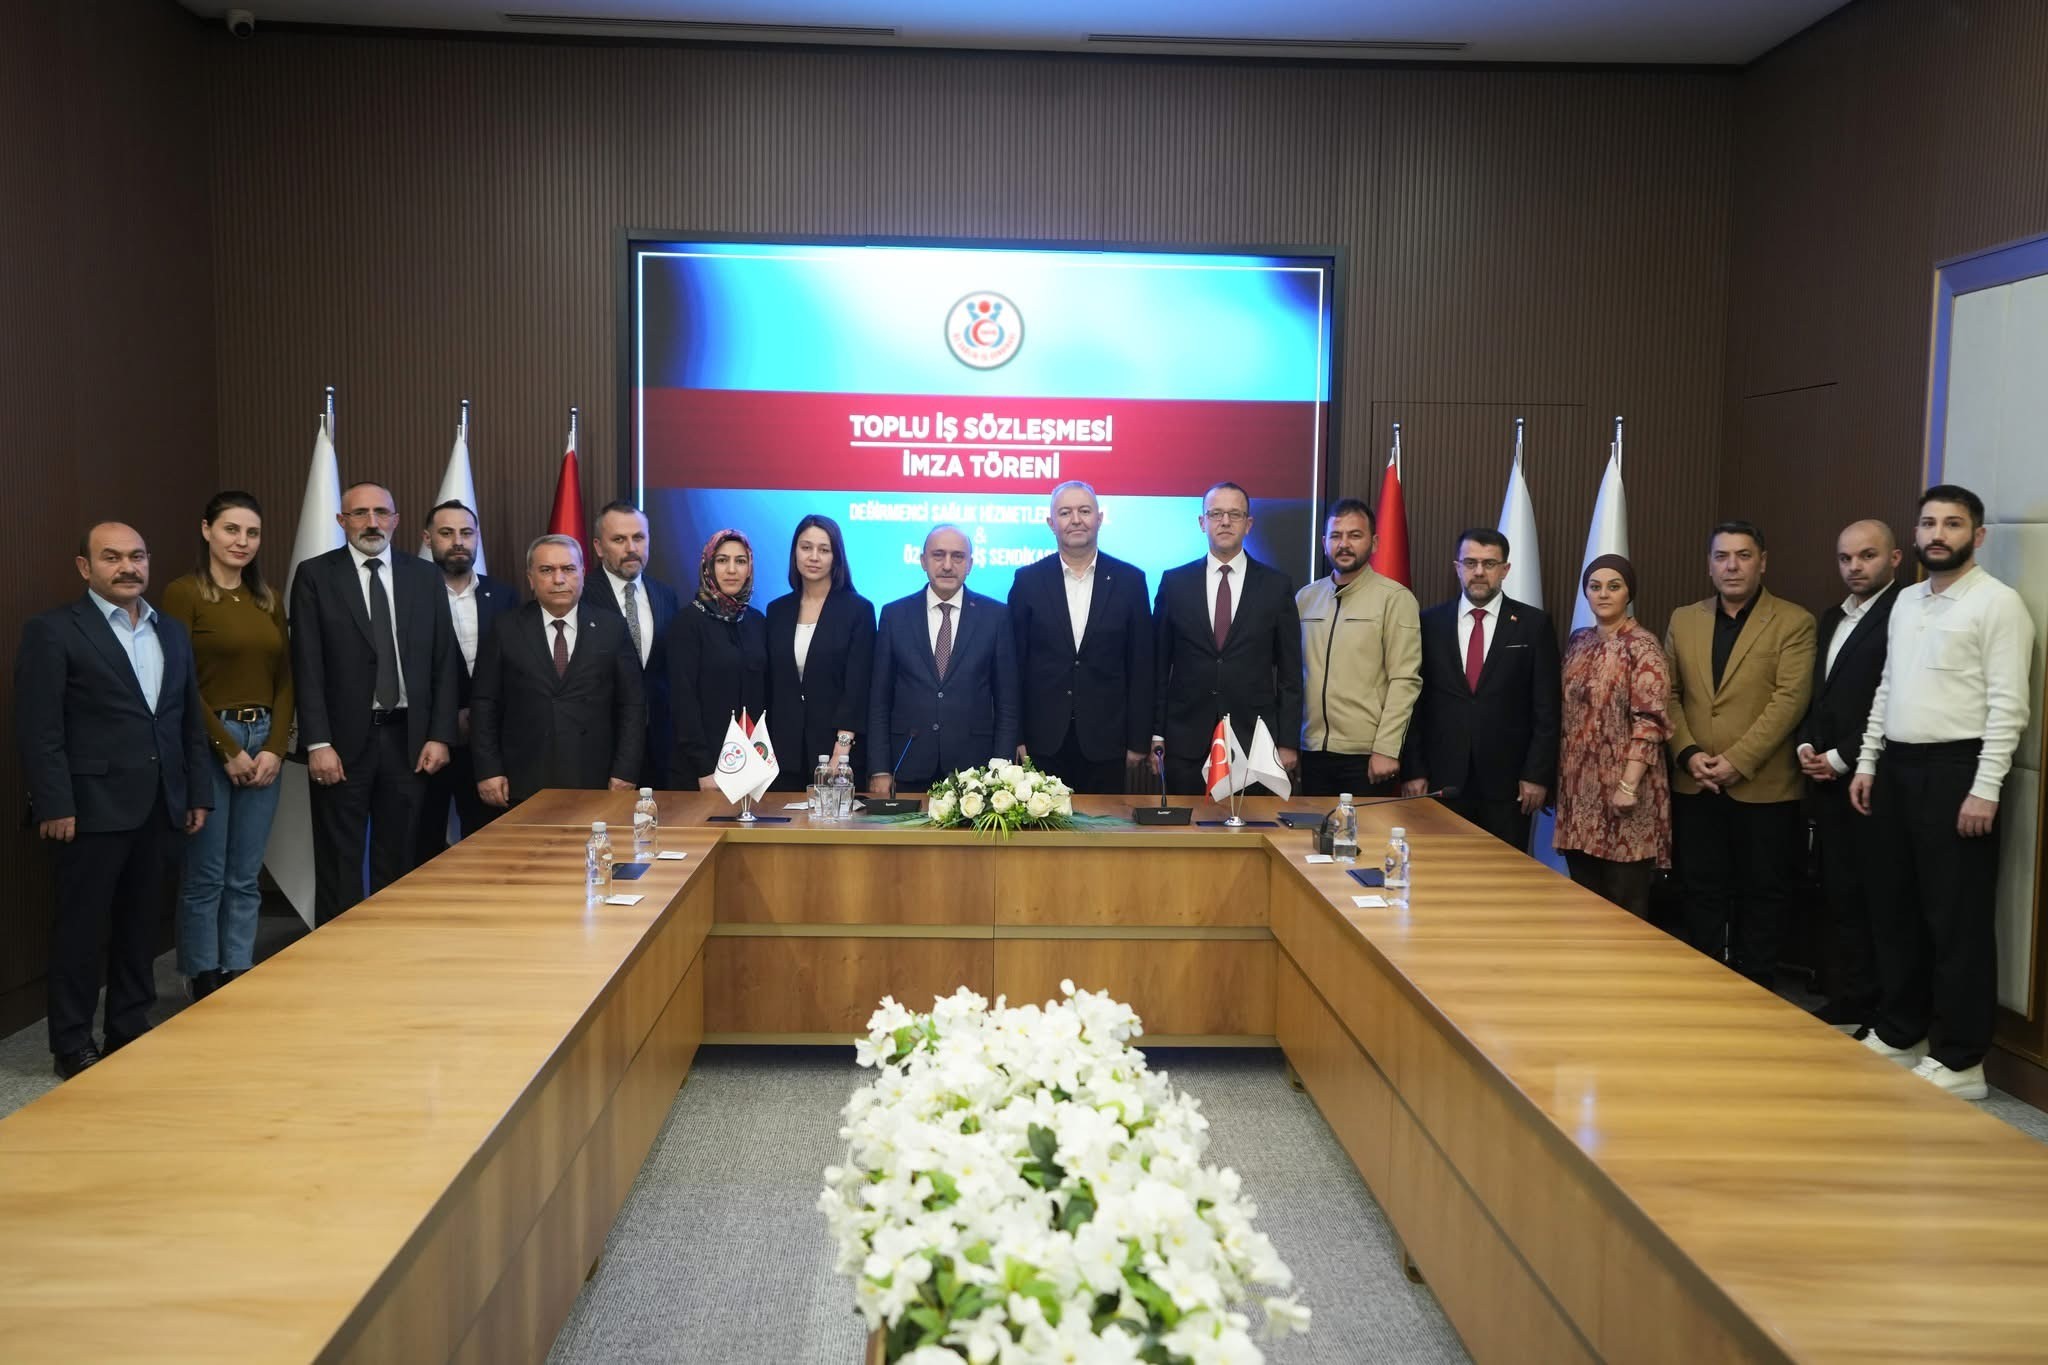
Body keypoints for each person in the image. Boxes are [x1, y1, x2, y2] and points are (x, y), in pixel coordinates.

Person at [1851, 485, 2035, 1100]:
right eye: (1928, 522)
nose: (1938, 534)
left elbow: (2009, 707)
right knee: (1896, 909)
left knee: (1957, 920)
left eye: (1952, 524)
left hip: (1959, 772)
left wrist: (1986, 788)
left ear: (1976, 536)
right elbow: (1887, 688)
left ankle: (1961, 1060)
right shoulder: (1906, 601)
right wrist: (1868, 762)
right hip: (1896, 767)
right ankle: (1902, 1031)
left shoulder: (1998, 604)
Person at [15, 523, 211, 1078]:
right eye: (112, 557)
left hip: (160, 806)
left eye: (137, 556)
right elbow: (39, 728)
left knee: (141, 927)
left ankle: (128, 1025)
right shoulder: (53, 631)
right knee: (80, 932)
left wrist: (195, 792)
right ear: (85, 567)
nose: (128, 567)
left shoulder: (171, 631)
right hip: (87, 809)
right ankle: (72, 1042)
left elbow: (186, 722)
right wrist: (54, 803)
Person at [289, 480, 459, 924]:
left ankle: (391, 945)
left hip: (409, 741)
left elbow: (444, 661)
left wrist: (440, 735)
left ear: (396, 520)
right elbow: (306, 664)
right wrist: (317, 742)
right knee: (339, 860)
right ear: (341, 521)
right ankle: (337, 952)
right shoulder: (316, 575)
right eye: (359, 513)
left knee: (400, 857)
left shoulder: (424, 576)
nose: (371, 522)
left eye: (381, 512)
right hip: (341, 743)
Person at [1664, 521, 1816, 987]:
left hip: (1763, 786)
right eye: (1722, 556)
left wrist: (1737, 761)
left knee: (1763, 893)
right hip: (1695, 781)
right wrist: (1688, 753)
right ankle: (1704, 985)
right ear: (1709, 565)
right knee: (1700, 888)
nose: (1732, 566)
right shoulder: (1683, 619)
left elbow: (1790, 701)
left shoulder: (1794, 621)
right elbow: (1668, 694)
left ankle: (1758, 989)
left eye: (1743, 556)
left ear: (1762, 562)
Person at [161, 492, 292, 1002]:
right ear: (206, 530)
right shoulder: (183, 593)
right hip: (207, 742)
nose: (242, 541)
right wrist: (227, 749)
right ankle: (203, 973)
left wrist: (275, 748)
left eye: (252, 533)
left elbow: (286, 679)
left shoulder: (268, 598)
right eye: (231, 529)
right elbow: (178, 680)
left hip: (263, 742)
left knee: (244, 874)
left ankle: (237, 967)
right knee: (206, 873)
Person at [1795, 519, 1901, 1029]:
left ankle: (1885, 1010)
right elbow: (1820, 696)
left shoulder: (1903, 614)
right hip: (1826, 779)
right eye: (1845, 558)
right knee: (1840, 894)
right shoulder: (1831, 617)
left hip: (1875, 779)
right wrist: (1807, 745)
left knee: (1879, 897)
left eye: (1867, 556)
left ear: (1894, 558)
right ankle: (1852, 997)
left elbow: (1894, 699)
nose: (1855, 567)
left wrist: (1842, 757)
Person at [1401, 528, 1559, 847]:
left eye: (1489, 564)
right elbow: (1414, 702)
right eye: (1470, 563)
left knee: (1504, 872)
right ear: (1457, 567)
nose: (1478, 572)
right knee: (1440, 868)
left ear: (1505, 570)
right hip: (1441, 781)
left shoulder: (1533, 625)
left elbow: (1547, 708)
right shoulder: (1429, 623)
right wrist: (1413, 769)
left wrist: (1536, 775)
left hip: (1509, 785)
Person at [471, 535, 645, 806]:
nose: (558, 579)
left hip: (596, 777)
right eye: (546, 570)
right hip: (523, 778)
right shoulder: (505, 628)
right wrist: (488, 770)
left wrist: (626, 770)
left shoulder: (612, 627)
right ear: (530, 578)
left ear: (582, 574)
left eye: (568, 569)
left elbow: (632, 704)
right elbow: (484, 704)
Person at [1153, 483, 1303, 796]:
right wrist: (1156, 733)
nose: (1225, 522)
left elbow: (1290, 674)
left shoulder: (1276, 586)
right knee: (1187, 824)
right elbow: (1157, 667)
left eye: (1235, 514)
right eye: (1216, 514)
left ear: (1248, 524)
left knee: (1250, 825)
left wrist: (1288, 742)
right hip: (1185, 741)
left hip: (1254, 743)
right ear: (1202, 522)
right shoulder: (1174, 583)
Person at [1008, 481, 1154, 794]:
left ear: (1099, 518)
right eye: (1065, 513)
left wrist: (1139, 740)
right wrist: (1016, 735)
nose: (1076, 520)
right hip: (1042, 742)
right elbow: (1014, 666)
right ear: (1051, 523)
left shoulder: (1130, 581)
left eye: (1084, 511)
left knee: (1103, 824)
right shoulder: (1027, 580)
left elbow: (1142, 666)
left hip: (1108, 742)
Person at [1554, 555, 1671, 917]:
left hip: (1626, 796)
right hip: (1579, 796)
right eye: (1595, 586)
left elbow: (1650, 721)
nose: (1603, 594)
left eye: (1614, 586)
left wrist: (1628, 786)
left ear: (1628, 593)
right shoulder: (1579, 641)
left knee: (1625, 907)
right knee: (1583, 903)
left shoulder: (1644, 646)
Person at [868, 525, 1019, 796]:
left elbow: (1007, 701)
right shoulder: (894, 615)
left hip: (975, 772)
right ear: (923, 561)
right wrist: (880, 769)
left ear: (970, 564)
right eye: (938, 555)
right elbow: (879, 700)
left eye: (958, 556)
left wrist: (1002, 768)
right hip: (907, 764)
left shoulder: (996, 616)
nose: (948, 565)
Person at [414, 499, 518, 862]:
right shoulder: (411, 595)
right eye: (447, 533)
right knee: (422, 847)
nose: (458, 541)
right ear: (427, 539)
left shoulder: (503, 595)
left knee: (488, 848)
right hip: (427, 745)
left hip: (488, 746)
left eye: (466, 533)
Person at [1294, 497, 1411, 797]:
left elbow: (1404, 680)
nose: (1344, 544)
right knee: (1312, 829)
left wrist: (1386, 748)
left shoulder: (1394, 598)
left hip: (1367, 756)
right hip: (1312, 752)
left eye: (1355, 535)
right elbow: (1291, 676)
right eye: (1336, 535)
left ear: (1374, 543)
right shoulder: (1305, 598)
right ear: (1324, 543)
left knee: (1365, 830)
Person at [765, 515, 875, 790]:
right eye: (806, 547)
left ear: (836, 558)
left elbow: (857, 687)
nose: (814, 557)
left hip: (838, 754)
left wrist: (842, 748)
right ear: (794, 552)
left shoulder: (858, 610)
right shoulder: (776, 611)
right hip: (782, 755)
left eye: (824, 550)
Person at [584, 501, 681, 786]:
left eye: (638, 538)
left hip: (660, 748)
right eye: (619, 540)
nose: (631, 548)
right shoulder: (581, 596)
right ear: (599, 547)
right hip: (603, 751)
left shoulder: (666, 595)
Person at [666, 529, 770, 790]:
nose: (731, 570)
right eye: (722, 560)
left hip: (752, 763)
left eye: (740, 561)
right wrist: (704, 767)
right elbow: (683, 700)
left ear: (749, 568)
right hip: (703, 769)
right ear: (708, 567)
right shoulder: (687, 623)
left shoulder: (757, 621)